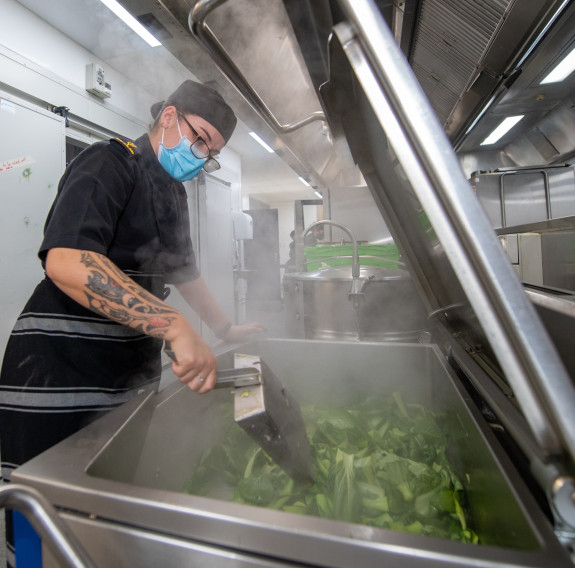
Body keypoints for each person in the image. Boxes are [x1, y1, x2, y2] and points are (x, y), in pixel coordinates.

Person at [0, 80, 263, 565]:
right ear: (168, 117)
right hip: (58, 368)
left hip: (125, 371)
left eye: (211, 153)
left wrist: (223, 329)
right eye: (200, 139)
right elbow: (68, 259)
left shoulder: (172, 192)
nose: (201, 157)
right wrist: (173, 325)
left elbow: (184, 272)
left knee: (97, 514)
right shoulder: (108, 162)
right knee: (45, 512)